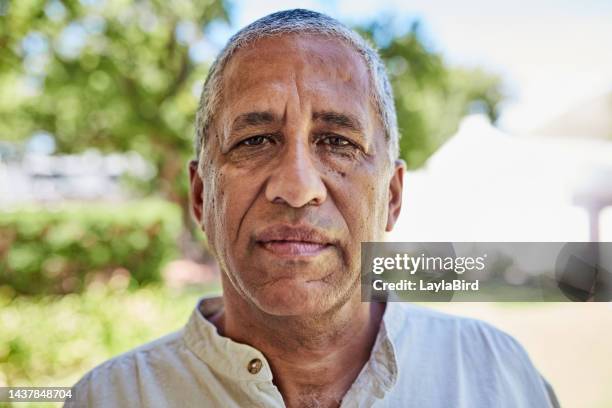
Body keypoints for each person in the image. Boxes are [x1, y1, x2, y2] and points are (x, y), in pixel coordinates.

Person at [67, 9, 559, 408]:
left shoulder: (498, 377)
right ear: (201, 197)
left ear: (391, 197)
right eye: (256, 140)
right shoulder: (110, 399)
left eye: (338, 142)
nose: (298, 188)